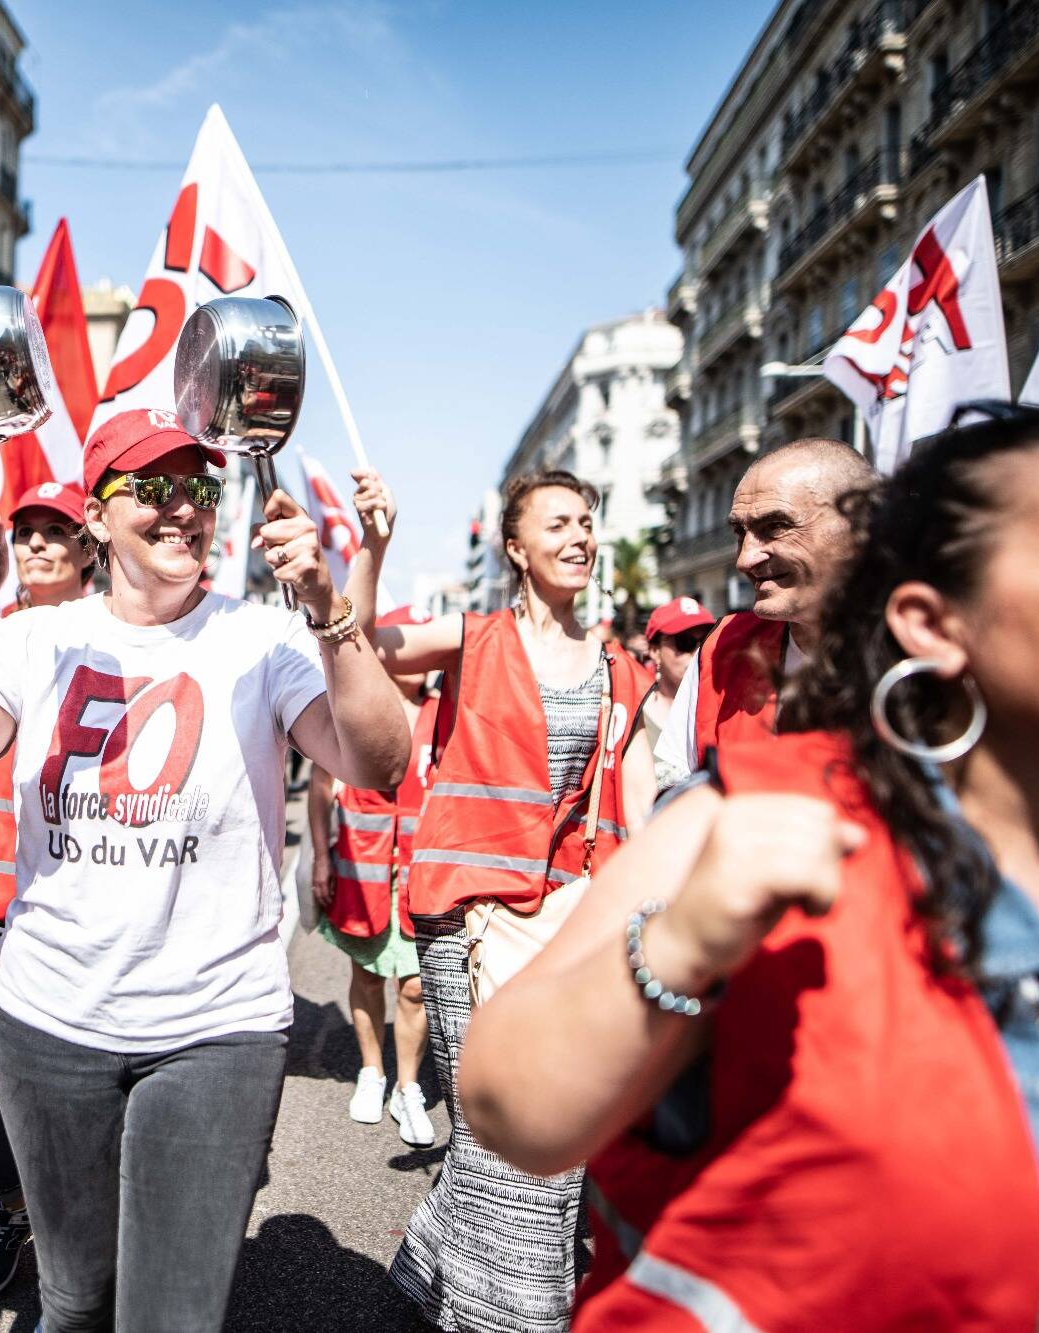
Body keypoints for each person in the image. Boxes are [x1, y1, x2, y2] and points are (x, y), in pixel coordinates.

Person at [459, 405, 1039, 1330]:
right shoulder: (755, 806)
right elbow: (510, 1105)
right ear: (935, 623)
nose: (748, 556)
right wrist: (680, 945)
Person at [0, 408, 409, 1332]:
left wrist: (328, 609)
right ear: (96, 514)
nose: (182, 510)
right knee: (76, 1302)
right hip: (50, 1020)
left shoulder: (264, 637)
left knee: (169, 1316)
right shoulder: (31, 636)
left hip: (216, 1025)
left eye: (200, 489)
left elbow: (379, 761)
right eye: (152, 489)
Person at [365, 469, 656, 1333]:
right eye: (559, 522)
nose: (580, 536)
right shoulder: (475, 635)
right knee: (515, 1122)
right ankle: (515, 1314)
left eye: (588, 522)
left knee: (531, 1122)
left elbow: (636, 815)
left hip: (567, 934)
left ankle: (426, 1273)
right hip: (463, 922)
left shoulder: (623, 671)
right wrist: (374, 548)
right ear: (517, 548)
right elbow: (361, 646)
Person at [0, 479, 94, 1301]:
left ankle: (71, 1276)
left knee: (72, 1113)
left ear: (87, 545)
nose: (37, 543)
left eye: (55, 531)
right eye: (25, 530)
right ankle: (15, 1204)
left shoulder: (114, 639)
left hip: (76, 915)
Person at [654, 438, 875, 784]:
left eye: (775, 527)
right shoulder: (722, 650)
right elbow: (672, 792)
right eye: (740, 532)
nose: (745, 559)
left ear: (861, 524)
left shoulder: (930, 650)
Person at [306, 604, 438, 1150]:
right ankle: (371, 1071)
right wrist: (318, 854)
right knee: (366, 978)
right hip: (361, 871)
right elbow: (319, 785)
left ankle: (408, 1086)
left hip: (422, 876)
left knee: (415, 988)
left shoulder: (444, 712)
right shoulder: (357, 706)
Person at [638, 597, 714, 789]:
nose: (698, 651)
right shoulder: (634, 716)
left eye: (705, 640)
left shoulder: (722, 710)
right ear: (655, 651)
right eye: (685, 642)